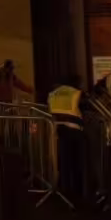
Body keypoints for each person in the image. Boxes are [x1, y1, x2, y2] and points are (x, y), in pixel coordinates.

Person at [47, 75, 87, 203]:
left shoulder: (54, 93)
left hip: (58, 130)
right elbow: (84, 107)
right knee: (77, 163)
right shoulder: (76, 93)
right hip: (74, 129)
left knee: (63, 162)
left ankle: (64, 190)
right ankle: (78, 193)